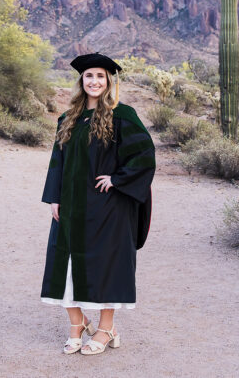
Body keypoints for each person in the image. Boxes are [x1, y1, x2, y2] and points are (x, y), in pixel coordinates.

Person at [40, 52, 156, 355]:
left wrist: (117, 179)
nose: (94, 81)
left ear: (108, 81)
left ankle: (106, 330)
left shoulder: (123, 115)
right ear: (82, 80)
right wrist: (54, 196)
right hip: (72, 205)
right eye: (89, 76)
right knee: (64, 265)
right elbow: (57, 161)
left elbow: (144, 156)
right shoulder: (68, 119)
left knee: (107, 266)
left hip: (108, 207)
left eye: (100, 76)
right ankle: (77, 324)